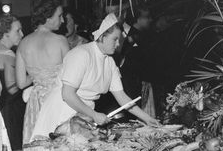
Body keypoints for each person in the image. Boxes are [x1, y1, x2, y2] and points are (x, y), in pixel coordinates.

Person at [31, 13, 159, 140]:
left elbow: (122, 97)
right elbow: (67, 94)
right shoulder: (81, 55)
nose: (118, 44)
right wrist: (93, 114)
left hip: (83, 114)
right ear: (102, 36)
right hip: (62, 111)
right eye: (115, 39)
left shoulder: (109, 62)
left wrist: (147, 118)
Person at [15, 0, 70, 145]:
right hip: (58, 100)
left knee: (38, 147)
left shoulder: (23, 43)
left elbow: (20, 83)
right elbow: (71, 76)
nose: (63, 20)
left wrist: (38, 76)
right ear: (47, 17)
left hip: (36, 103)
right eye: (59, 16)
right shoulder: (60, 41)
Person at [0, 14, 25, 151]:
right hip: (11, 109)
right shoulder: (8, 55)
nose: (22, 34)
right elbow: (12, 88)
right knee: (15, 148)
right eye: (17, 31)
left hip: (0, 109)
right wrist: (36, 77)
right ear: (5, 34)